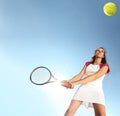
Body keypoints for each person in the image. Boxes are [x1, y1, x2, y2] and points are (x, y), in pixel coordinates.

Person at [61, 47, 110, 116]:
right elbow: (79, 75)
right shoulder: (87, 64)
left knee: (101, 115)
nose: (99, 52)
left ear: (103, 55)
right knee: (69, 112)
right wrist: (68, 81)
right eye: (97, 50)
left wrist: (74, 83)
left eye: (102, 51)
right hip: (83, 88)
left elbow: (94, 77)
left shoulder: (105, 66)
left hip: (96, 90)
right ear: (95, 53)